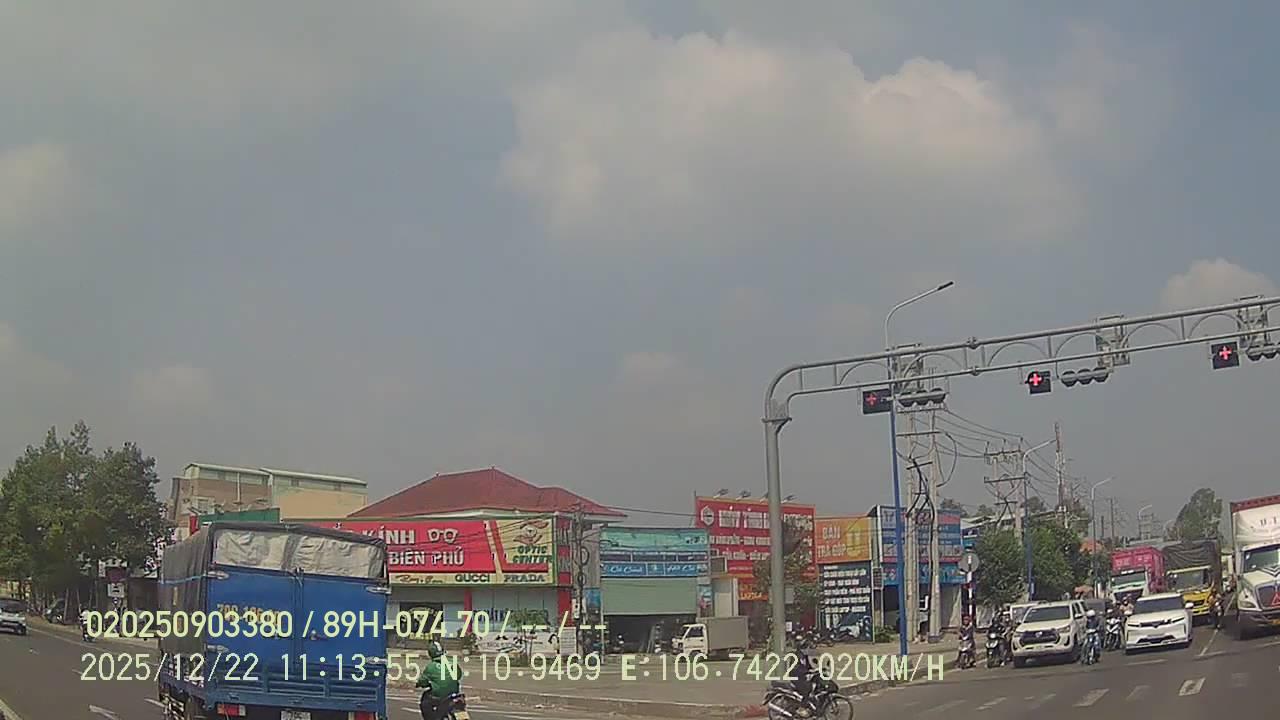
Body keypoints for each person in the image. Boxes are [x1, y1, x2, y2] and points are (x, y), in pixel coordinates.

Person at [417, 640, 460, 720]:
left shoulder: (431, 667)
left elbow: (422, 681)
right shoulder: (453, 663)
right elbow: (459, 675)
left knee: (425, 702)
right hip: (455, 694)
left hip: (439, 697)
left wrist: (420, 683)